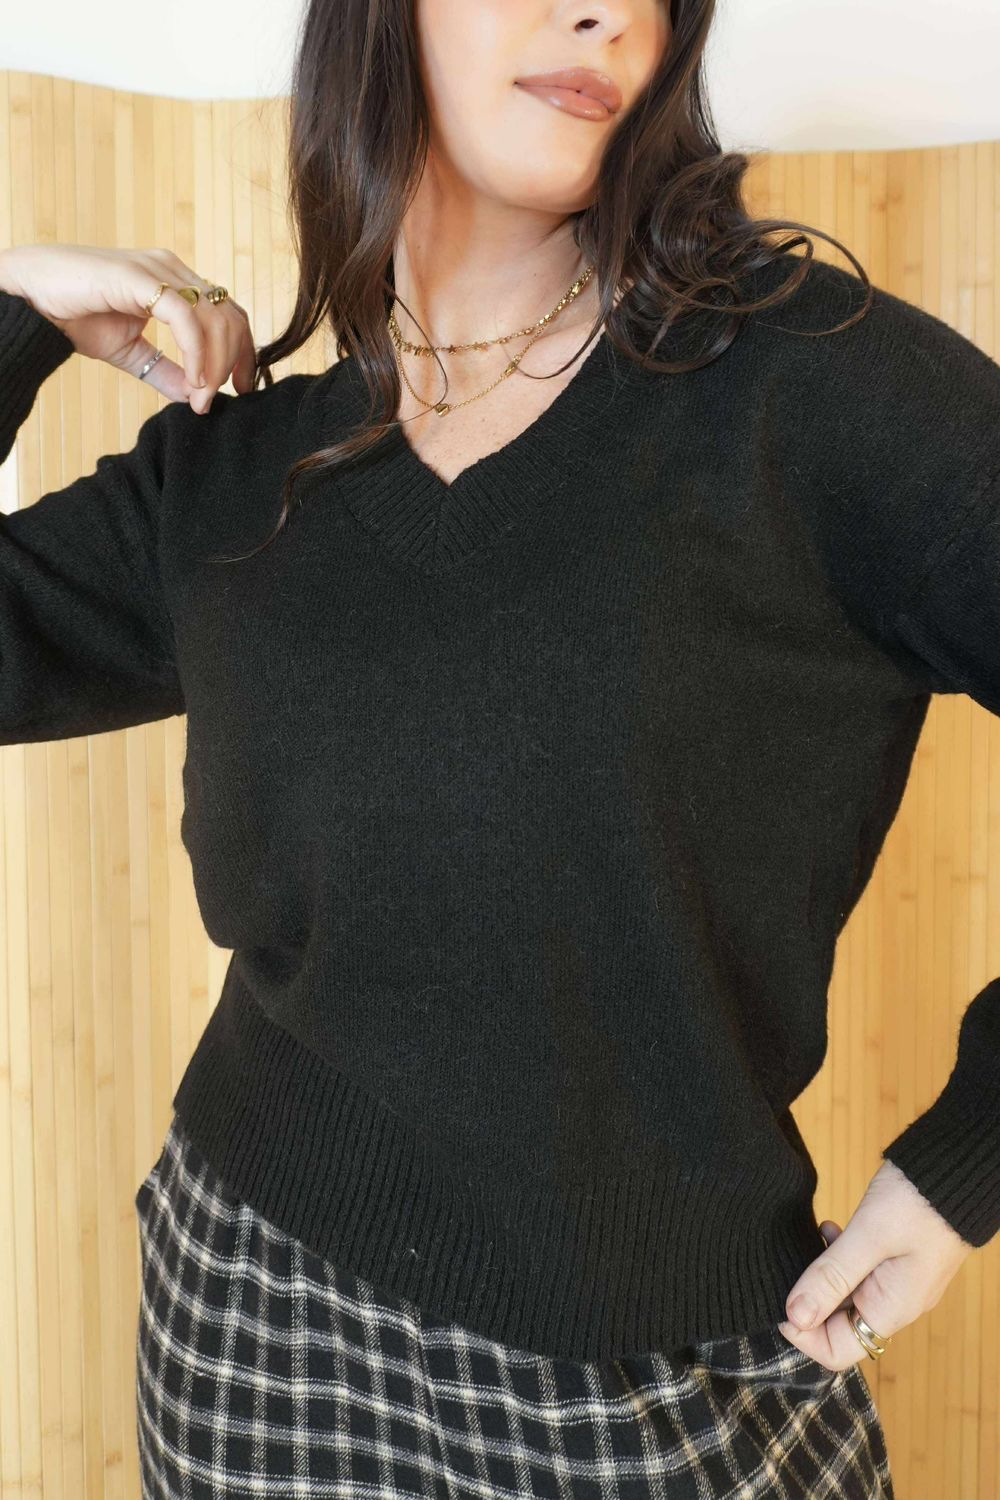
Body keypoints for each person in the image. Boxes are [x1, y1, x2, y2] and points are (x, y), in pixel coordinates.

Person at [2, 0, 998, 1495]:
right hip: (253, 1316)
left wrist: (970, 1158)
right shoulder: (237, 467)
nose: (604, 10)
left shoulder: (816, 389)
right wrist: (14, 306)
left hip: (665, 1378)